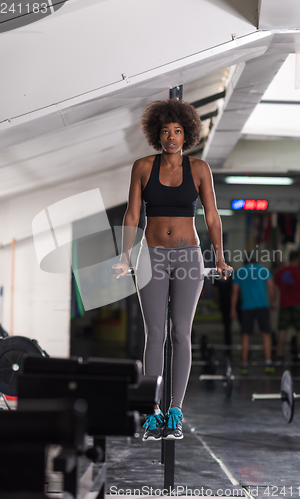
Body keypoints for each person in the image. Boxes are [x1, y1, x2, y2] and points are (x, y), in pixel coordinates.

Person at [112, 99, 232, 441]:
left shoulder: (199, 169)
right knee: (155, 334)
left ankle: (175, 412)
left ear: (187, 134)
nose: (172, 137)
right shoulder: (142, 167)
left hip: (188, 256)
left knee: (181, 332)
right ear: (157, 135)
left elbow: (212, 216)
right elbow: (132, 216)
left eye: (178, 131)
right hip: (150, 255)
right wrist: (124, 256)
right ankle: (153, 413)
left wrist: (220, 258)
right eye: (165, 131)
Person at [230, 256, 276, 375]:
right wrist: (273, 301)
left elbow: (235, 292)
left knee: (245, 335)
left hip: (246, 307)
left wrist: (233, 309)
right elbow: (271, 287)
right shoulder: (263, 270)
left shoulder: (240, 272)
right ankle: (268, 362)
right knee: (266, 334)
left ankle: (244, 365)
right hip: (262, 306)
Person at [274, 250, 300, 364]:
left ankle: (279, 356)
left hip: (284, 304)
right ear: (297, 259)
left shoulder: (280, 272)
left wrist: (272, 301)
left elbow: (274, 289)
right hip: (298, 305)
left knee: (282, 330)